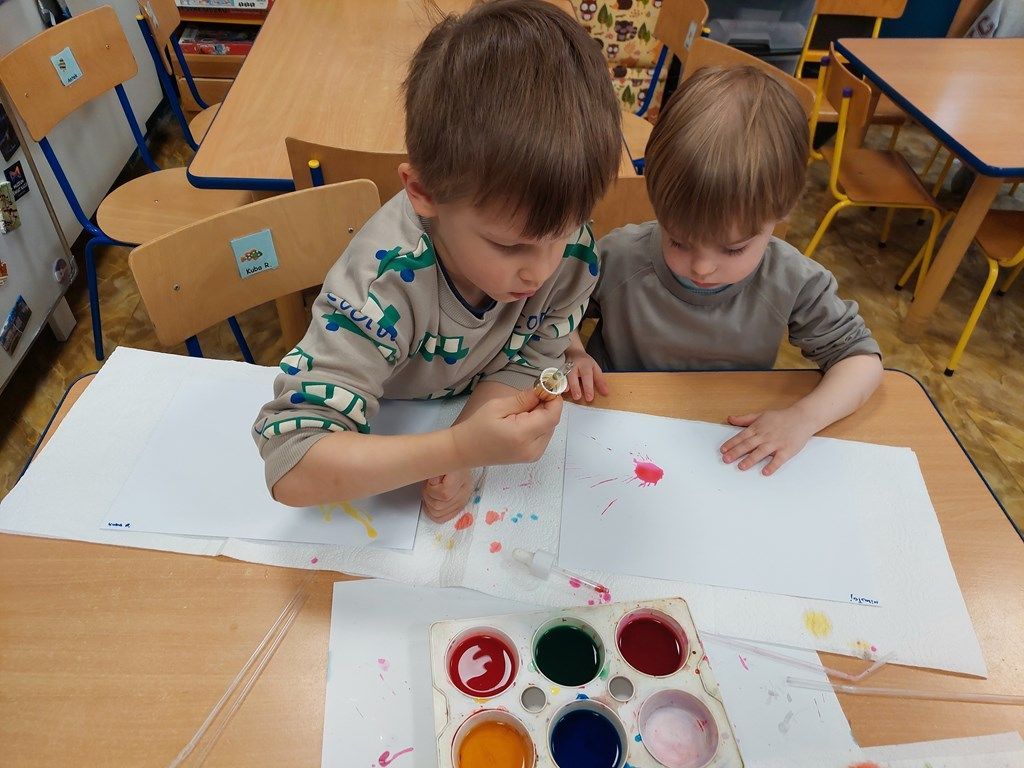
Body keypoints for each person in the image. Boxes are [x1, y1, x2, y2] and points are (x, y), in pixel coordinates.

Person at [253, 0, 621, 519]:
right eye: (509, 245)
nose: (541, 271)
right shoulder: (384, 282)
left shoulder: (572, 249)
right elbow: (291, 464)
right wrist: (456, 448)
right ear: (423, 193)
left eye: (562, 234)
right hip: (388, 417)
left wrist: (468, 449)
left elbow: (529, 358)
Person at [566, 66, 883, 476]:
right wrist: (572, 351)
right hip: (614, 429)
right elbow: (556, 307)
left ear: (782, 212)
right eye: (678, 240)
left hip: (722, 444)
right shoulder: (620, 256)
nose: (702, 266)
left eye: (734, 248)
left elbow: (861, 360)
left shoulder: (791, 279)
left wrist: (803, 418)